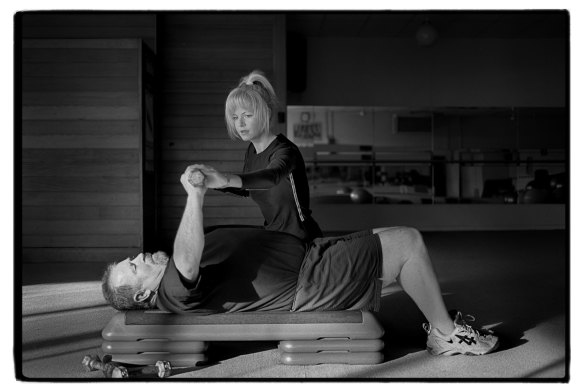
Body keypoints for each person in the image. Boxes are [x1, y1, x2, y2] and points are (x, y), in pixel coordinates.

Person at [102, 166, 499, 357]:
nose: (139, 256)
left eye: (131, 258)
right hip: (309, 282)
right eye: (134, 267)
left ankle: (438, 321)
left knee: (390, 234)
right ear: (142, 296)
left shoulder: (167, 280)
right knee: (408, 242)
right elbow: (187, 262)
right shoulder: (171, 292)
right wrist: (195, 196)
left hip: (309, 260)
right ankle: (448, 336)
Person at [191, 70, 322, 242]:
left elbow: (271, 177)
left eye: (247, 116)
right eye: (235, 117)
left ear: (266, 113)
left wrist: (225, 179)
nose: (240, 123)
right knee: (210, 234)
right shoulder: (252, 151)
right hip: (274, 234)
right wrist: (210, 181)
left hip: (299, 239)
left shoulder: (286, 151)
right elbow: (247, 187)